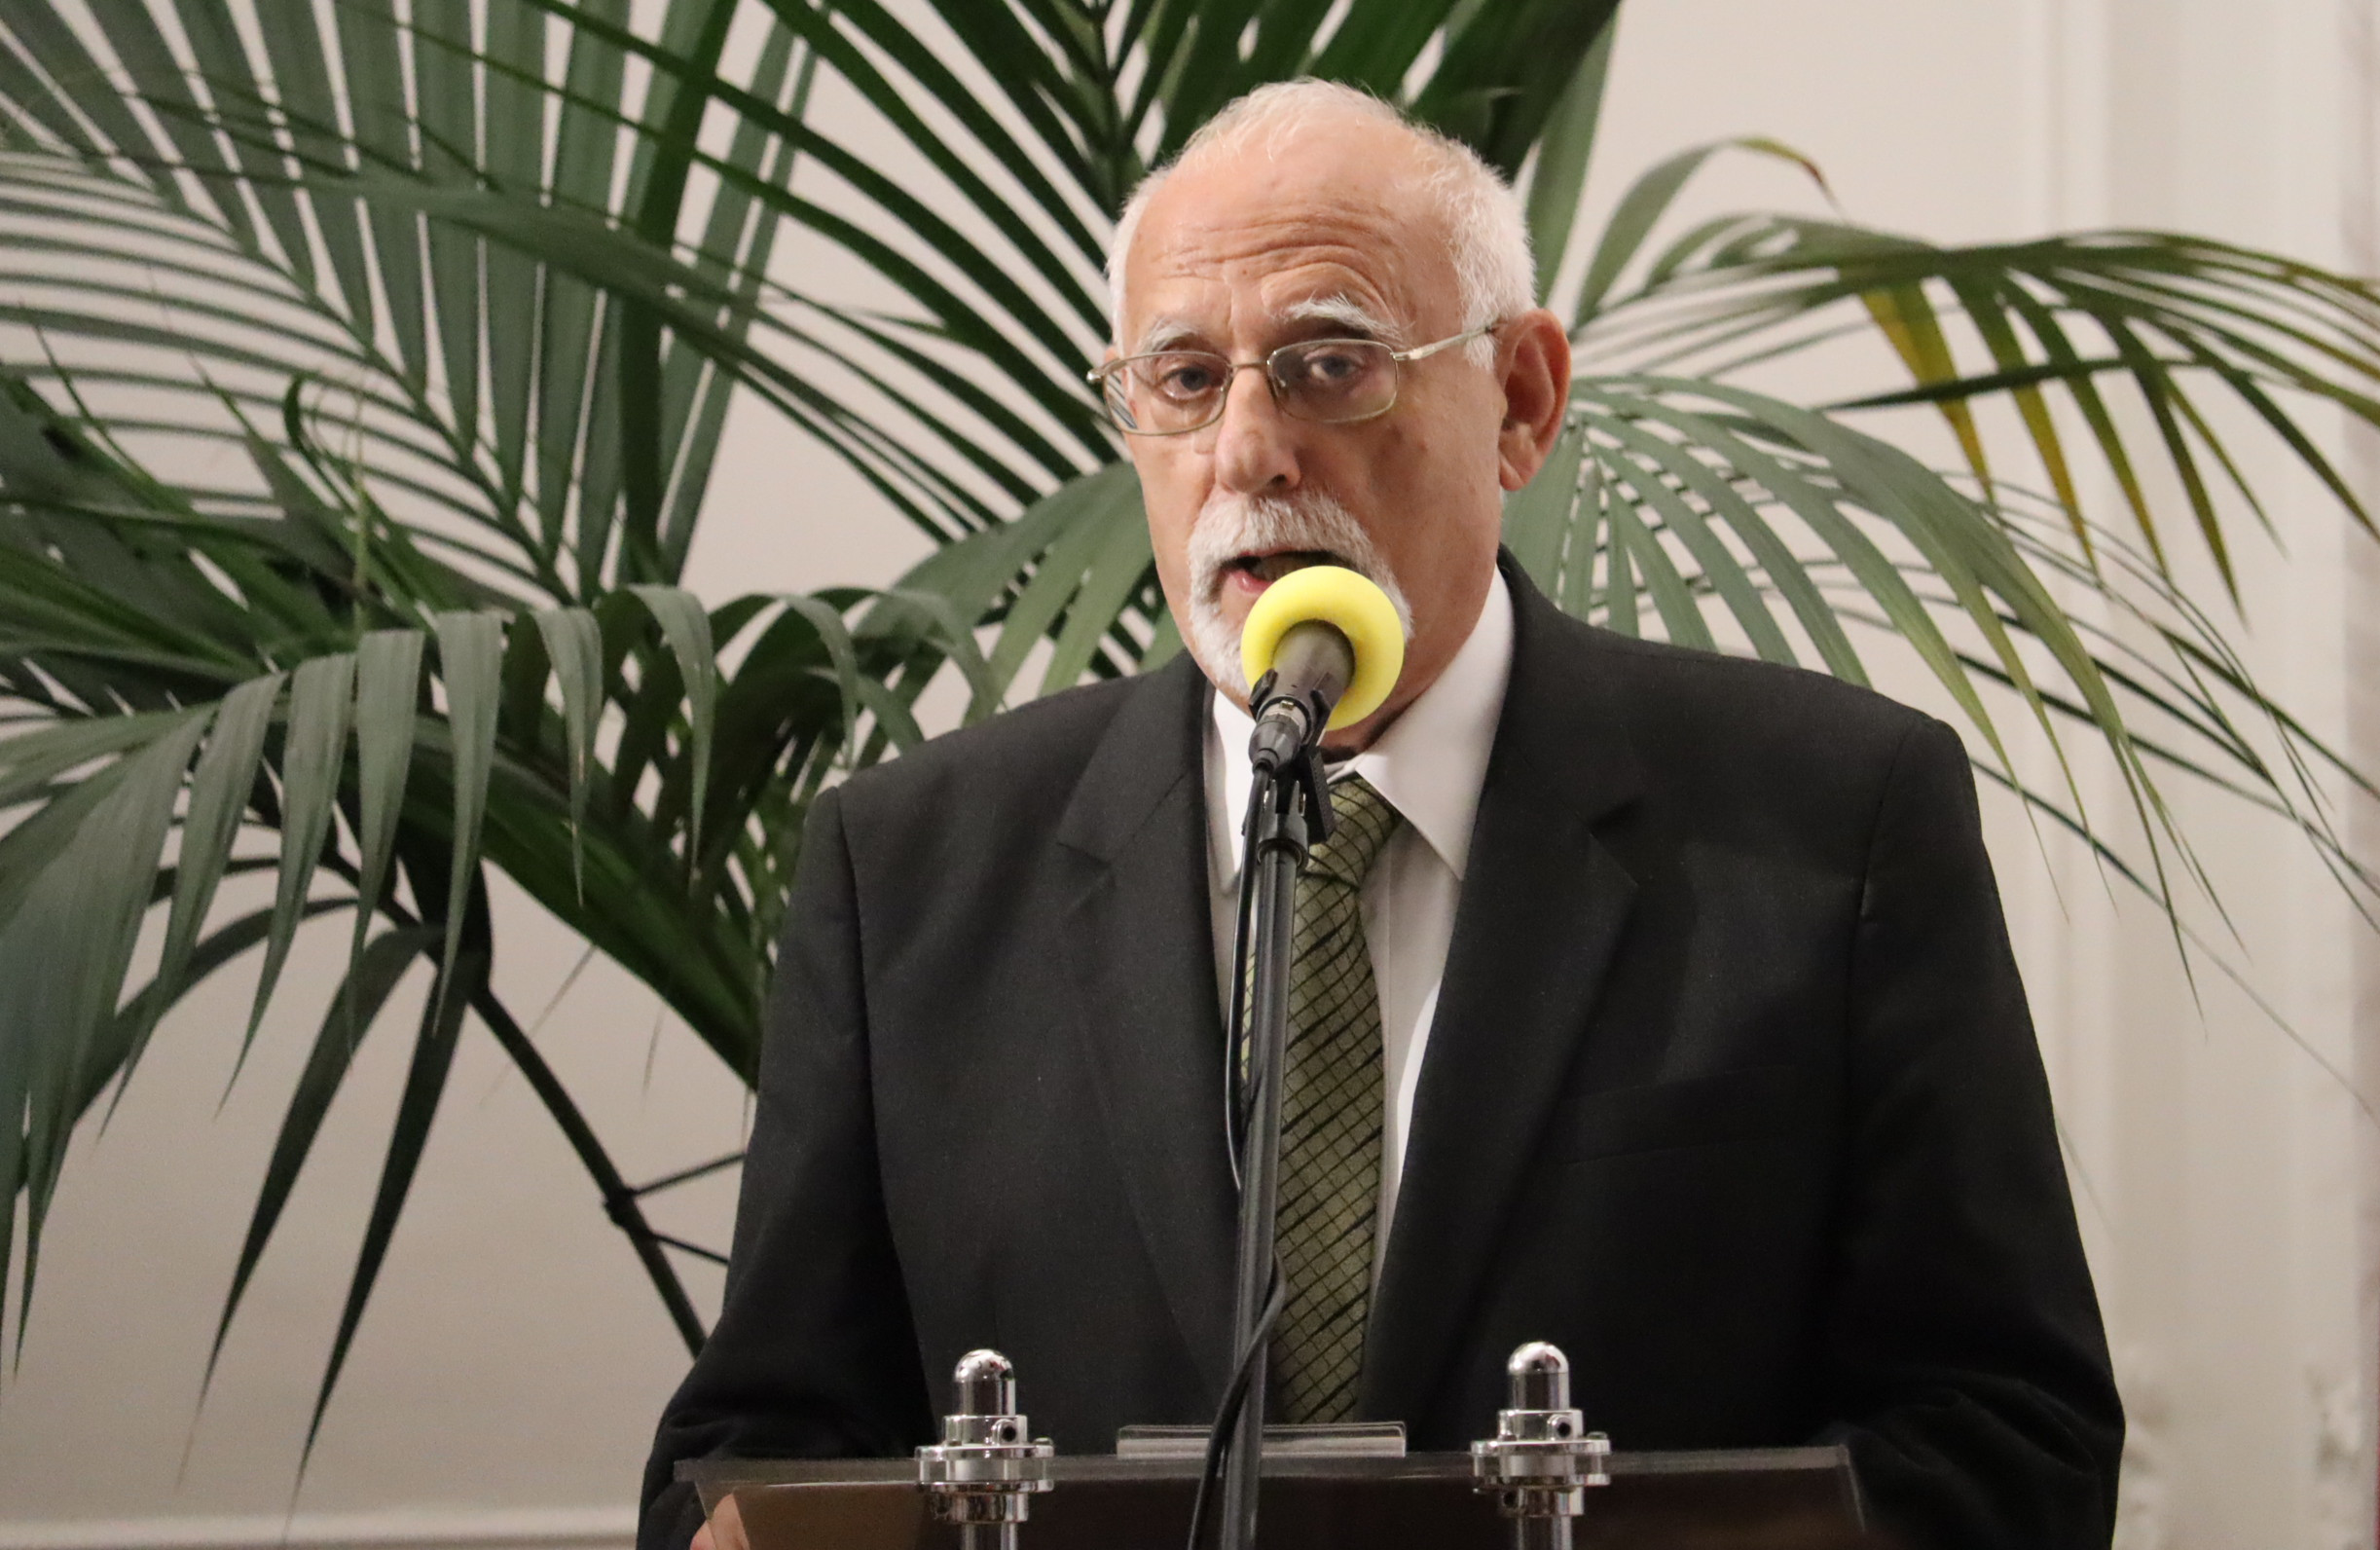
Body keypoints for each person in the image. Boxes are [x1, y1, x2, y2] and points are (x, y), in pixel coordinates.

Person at [639, 82, 2121, 1550]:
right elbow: (752, 1460)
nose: (1247, 451)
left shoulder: (1830, 825)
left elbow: (2007, 1443)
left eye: (1329, 364)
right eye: (1184, 378)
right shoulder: (909, 870)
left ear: (1521, 400)